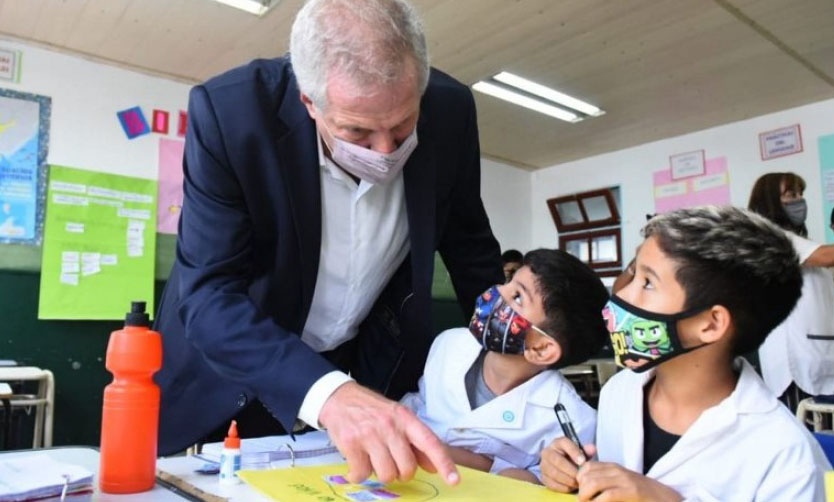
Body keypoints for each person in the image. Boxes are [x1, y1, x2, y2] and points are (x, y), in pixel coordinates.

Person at [152, 0, 503, 485]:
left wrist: (511, 349)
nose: (387, 152)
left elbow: (471, 249)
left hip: (362, 368)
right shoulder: (231, 116)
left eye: (403, 126)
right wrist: (328, 394)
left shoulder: (451, 110)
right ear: (308, 101)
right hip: (226, 377)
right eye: (356, 131)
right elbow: (209, 293)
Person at [540, 206, 830, 501]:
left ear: (710, 324)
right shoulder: (620, 391)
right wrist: (573, 471)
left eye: (648, 283)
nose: (623, 296)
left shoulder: (787, 456)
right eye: (633, 274)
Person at [401, 249, 609, 484]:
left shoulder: (573, 421)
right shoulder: (449, 344)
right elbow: (420, 403)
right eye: (508, 282)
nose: (498, 292)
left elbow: (545, 484)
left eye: (518, 296)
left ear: (541, 349)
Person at [748, 172, 834, 410]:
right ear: (770, 201)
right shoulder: (771, 240)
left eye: (800, 194)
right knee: (812, 436)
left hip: (818, 355)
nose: (799, 201)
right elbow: (826, 256)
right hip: (796, 363)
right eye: (791, 194)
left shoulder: (798, 243)